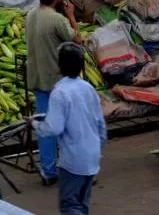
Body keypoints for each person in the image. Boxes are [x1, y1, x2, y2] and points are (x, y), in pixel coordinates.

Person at [30, 43, 106, 215]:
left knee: (70, 205)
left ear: (60, 66)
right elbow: (100, 122)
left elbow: (53, 128)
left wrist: (35, 125)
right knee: (82, 203)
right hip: (92, 157)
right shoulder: (88, 88)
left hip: (74, 160)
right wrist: (99, 147)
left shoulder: (60, 92)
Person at [26, 0, 82, 185]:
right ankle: (74, 169)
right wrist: (70, 15)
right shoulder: (56, 19)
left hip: (37, 78)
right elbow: (76, 40)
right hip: (56, 81)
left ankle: (48, 171)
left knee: (46, 127)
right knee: (68, 126)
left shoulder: (30, 15)